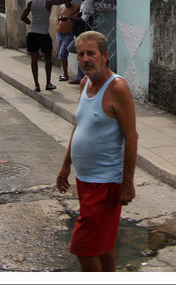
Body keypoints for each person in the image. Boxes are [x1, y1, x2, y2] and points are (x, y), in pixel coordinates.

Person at [57, 30, 138, 272]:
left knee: (83, 246)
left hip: (105, 184)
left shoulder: (117, 88)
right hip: (84, 180)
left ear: (104, 56)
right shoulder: (84, 83)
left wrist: (127, 183)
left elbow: (131, 137)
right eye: (81, 54)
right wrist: (66, 165)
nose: (84, 59)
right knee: (102, 242)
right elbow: (79, 126)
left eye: (90, 53)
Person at [21, 0, 87, 92]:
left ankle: (37, 85)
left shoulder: (31, 2)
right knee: (48, 58)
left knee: (34, 59)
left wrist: (32, 24)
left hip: (32, 34)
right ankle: (48, 83)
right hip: (43, 34)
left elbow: (23, 17)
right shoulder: (49, 1)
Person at [55, 0, 81, 82]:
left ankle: (65, 74)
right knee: (61, 54)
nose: (66, 2)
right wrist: (58, 25)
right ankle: (64, 73)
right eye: (64, 0)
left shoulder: (75, 8)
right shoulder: (62, 9)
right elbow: (58, 18)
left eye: (67, 0)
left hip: (68, 35)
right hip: (59, 34)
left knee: (63, 53)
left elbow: (79, 14)